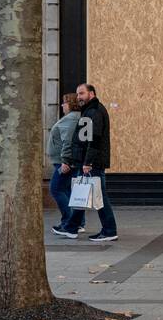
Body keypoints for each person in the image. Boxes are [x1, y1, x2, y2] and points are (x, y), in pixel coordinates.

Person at [57, 82, 116, 241]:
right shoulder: (89, 111)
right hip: (86, 161)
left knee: (100, 197)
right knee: (80, 194)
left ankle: (109, 231)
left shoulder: (94, 112)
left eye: (82, 93)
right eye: (77, 94)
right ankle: (71, 227)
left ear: (92, 93)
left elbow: (93, 140)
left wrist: (87, 162)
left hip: (91, 163)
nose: (79, 97)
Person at [47, 93, 85, 235]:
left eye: (64, 103)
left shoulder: (70, 119)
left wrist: (65, 161)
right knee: (69, 191)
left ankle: (68, 222)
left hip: (64, 162)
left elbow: (68, 141)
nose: (62, 105)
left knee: (56, 189)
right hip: (70, 161)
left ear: (71, 104)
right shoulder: (77, 117)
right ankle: (78, 222)